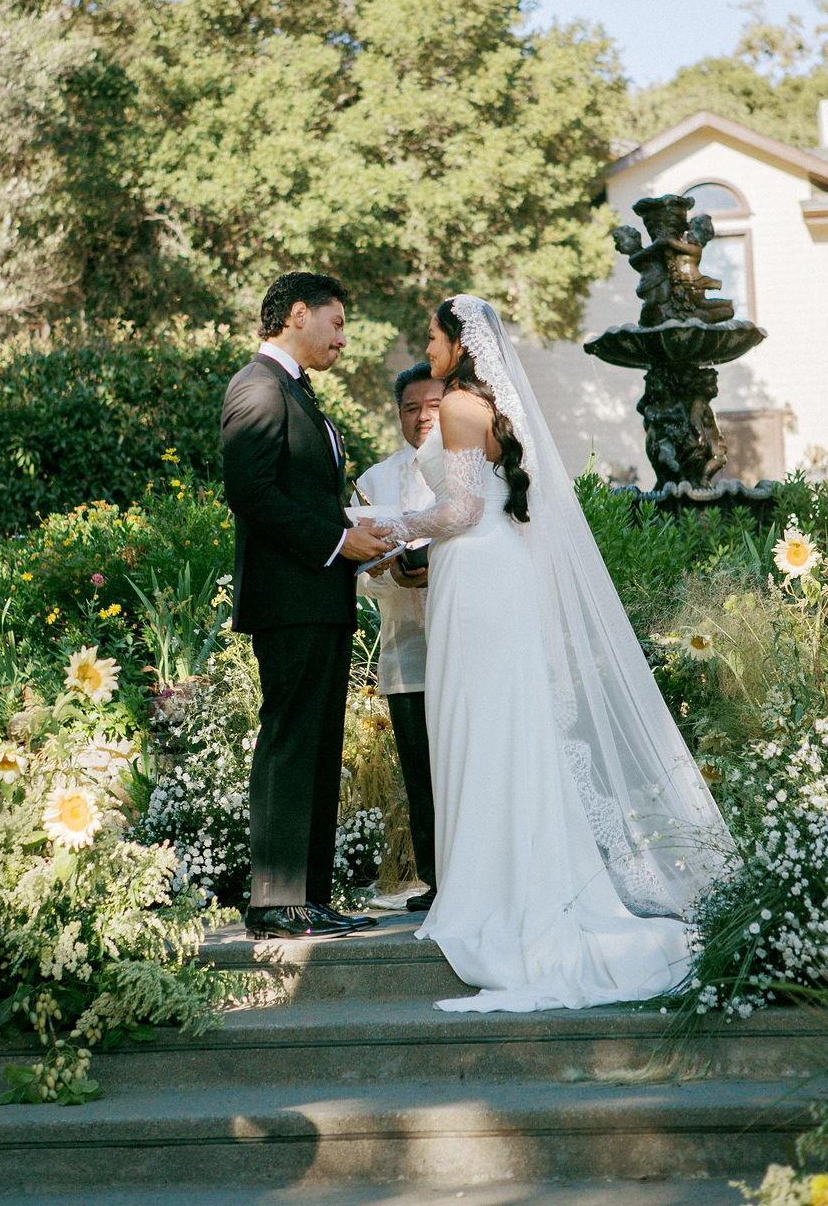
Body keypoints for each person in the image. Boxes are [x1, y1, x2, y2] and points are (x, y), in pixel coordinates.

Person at [379, 295, 733, 1011]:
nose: (429, 346)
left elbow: (461, 511)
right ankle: (502, 879)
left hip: (474, 573)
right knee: (507, 729)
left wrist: (386, 525)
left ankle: (487, 895)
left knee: (482, 731)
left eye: (433, 336)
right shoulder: (487, 407)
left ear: (460, 344)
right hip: (487, 573)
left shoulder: (454, 406)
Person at [221, 271, 391, 940]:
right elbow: (252, 494)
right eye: (338, 323)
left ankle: (308, 897)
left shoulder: (295, 392)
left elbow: (302, 492)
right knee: (292, 742)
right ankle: (275, 900)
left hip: (319, 597)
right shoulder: (258, 388)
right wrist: (336, 541)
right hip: (290, 601)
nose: (343, 339)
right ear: (298, 315)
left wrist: (360, 534)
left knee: (317, 747)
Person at [354, 363, 444, 912]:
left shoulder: (471, 469)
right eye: (411, 408)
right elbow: (360, 571)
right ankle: (436, 882)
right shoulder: (375, 480)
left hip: (466, 643)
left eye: (432, 405)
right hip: (406, 647)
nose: (422, 417)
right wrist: (385, 572)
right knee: (420, 771)